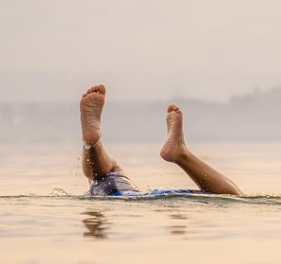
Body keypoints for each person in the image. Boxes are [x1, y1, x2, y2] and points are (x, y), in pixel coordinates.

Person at [79, 84, 243, 196]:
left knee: (109, 172)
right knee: (233, 197)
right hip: (163, 197)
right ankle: (181, 153)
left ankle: (92, 144)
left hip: (119, 195)